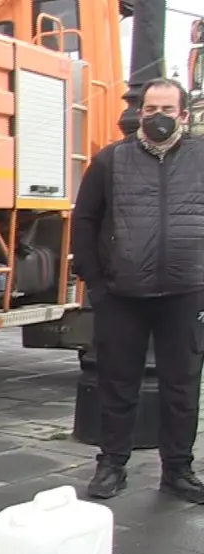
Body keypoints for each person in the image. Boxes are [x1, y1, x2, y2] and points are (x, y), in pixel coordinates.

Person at [72, 77, 204, 505]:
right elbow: (86, 219)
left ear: (183, 115)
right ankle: (112, 464)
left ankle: (178, 471)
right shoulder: (111, 160)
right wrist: (97, 281)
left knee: (182, 387)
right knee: (117, 382)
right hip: (122, 296)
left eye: (167, 110)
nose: (158, 117)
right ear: (139, 113)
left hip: (186, 295)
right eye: (151, 109)